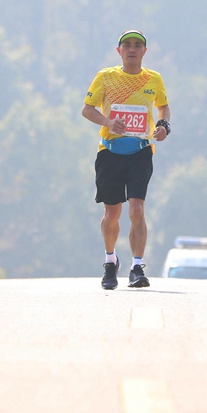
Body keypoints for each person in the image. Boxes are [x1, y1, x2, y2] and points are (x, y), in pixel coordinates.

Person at [81, 30, 171, 290]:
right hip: (110, 152)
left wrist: (164, 125)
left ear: (145, 51)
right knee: (112, 213)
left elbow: (163, 106)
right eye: (127, 45)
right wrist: (108, 122)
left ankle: (137, 267)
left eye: (137, 45)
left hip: (140, 151)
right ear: (119, 51)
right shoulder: (106, 77)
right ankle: (110, 262)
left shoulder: (153, 79)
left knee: (137, 209)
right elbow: (87, 109)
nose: (132, 49)